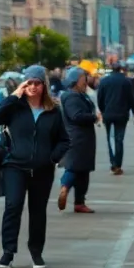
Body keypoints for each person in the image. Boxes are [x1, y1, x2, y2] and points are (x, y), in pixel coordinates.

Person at [0, 65, 69, 268]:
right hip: (15, 166)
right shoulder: (15, 107)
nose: (33, 86)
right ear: (24, 84)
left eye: (37, 83)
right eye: (29, 82)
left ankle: (36, 251)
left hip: (42, 170)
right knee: (13, 207)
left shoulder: (53, 111)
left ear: (44, 85)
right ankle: (8, 253)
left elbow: (64, 140)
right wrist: (14, 96)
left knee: (38, 212)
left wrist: (52, 157)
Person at [57, 66, 97, 214]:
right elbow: (76, 116)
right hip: (78, 138)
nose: (85, 82)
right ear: (74, 81)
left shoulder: (77, 95)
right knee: (74, 167)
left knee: (82, 170)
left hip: (82, 138)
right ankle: (65, 186)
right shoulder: (72, 97)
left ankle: (79, 202)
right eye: (82, 79)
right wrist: (94, 117)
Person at [97, 64, 134, 175]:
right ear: (121, 69)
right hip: (122, 114)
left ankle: (113, 163)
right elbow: (132, 98)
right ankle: (118, 164)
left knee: (110, 139)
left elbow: (99, 98)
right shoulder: (126, 81)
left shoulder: (104, 81)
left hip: (108, 114)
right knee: (119, 139)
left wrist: (103, 111)